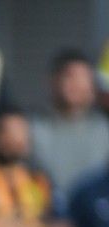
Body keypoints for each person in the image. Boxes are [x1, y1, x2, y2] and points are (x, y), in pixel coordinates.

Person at [32, 50, 109, 202]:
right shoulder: (31, 129)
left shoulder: (104, 130)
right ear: (53, 80)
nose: (76, 84)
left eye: (83, 78)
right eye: (70, 76)